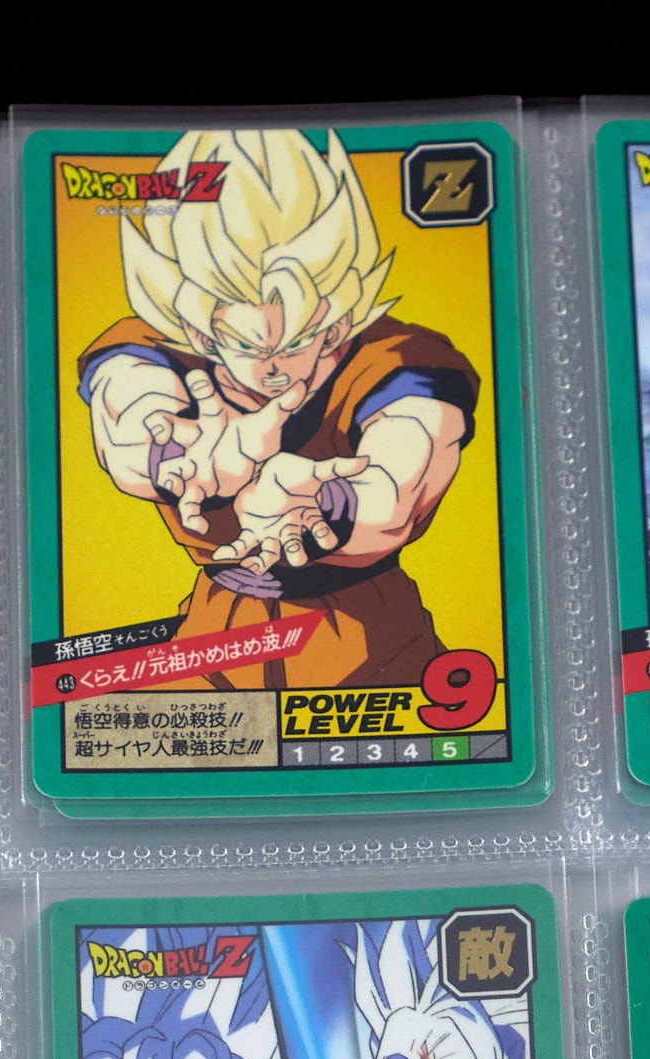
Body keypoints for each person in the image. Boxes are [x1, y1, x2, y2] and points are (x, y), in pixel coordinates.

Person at [79, 129, 478, 688]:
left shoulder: (399, 363)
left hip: (368, 641)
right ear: (201, 332)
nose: (271, 369)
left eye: (296, 341)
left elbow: (403, 470)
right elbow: (128, 416)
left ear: (335, 322)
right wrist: (180, 455)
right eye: (246, 345)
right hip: (213, 636)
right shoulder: (155, 357)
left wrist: (329, 502)